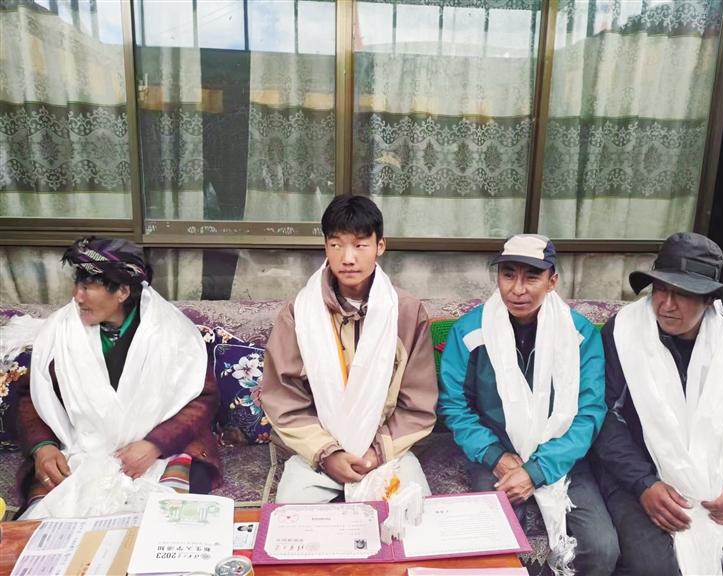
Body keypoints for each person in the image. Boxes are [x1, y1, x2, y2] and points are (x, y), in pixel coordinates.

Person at [439, 234, 618, 576]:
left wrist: (537, 470)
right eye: (508, 275)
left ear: (552, 281)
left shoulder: (579, 335)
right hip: (496, 454)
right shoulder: (471, 331)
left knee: (602, 547)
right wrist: (494, 455)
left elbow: (589, 413)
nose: (517, 289)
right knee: (494, 544)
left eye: (531, 277)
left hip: (562, 456)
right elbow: (454, 406)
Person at [592, 232, 723, 575]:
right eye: (660, 289)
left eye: (684, 293)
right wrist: (644, 484)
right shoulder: (623, 333)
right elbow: (603, 418)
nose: (666, 304)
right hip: (635, 476)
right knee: (657, 567)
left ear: (710, 299)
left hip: (715, 477)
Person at [14, 237, 221, 519]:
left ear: (122, 291)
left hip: (163, 449)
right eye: (77, 285)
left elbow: (202, 397)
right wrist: (43, 448)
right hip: (81, 447)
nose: (77, 296)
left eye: (87, 287)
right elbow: (32, 396)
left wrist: (155, 444)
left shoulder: (172, 333)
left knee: (170, 520)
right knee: (49, 519)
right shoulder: (60, 332)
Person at [260, 194, 438, 503]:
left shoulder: (405, 312)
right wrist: (327, 454)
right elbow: (283, 397)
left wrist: (376, 453)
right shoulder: (300, 313)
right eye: (337, 244)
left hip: (387, 450)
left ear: (380, 246)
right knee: (292, 517)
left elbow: (417, 403)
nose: (348, 257)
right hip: (315, 454)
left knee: (415, 513)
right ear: (325, 247)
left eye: (360, 245)